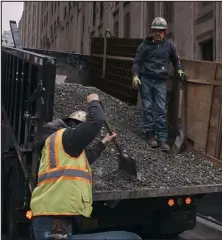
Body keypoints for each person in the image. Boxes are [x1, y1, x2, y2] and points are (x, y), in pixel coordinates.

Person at [30, 93, 117, 239]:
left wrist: (104, 142)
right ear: (75, 126)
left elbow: (87, 157)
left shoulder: (62, 144)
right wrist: (94, 101)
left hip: (54, 214)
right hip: (55, 220)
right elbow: (97, 120)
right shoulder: (67, 137)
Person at [131, 17, 186, 152]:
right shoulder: (144, 46)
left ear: (165, 32)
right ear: (152, 31)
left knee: (161, 109)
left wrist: (179, 69)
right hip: (146, 80)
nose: (158, 33)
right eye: (155, 30)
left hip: (160, 81)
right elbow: (137, 62)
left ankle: (162, 139)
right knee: (148, 107)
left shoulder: (169, 46)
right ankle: (150, 135)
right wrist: (135, 76)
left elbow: (176, 60)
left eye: (160, 31)